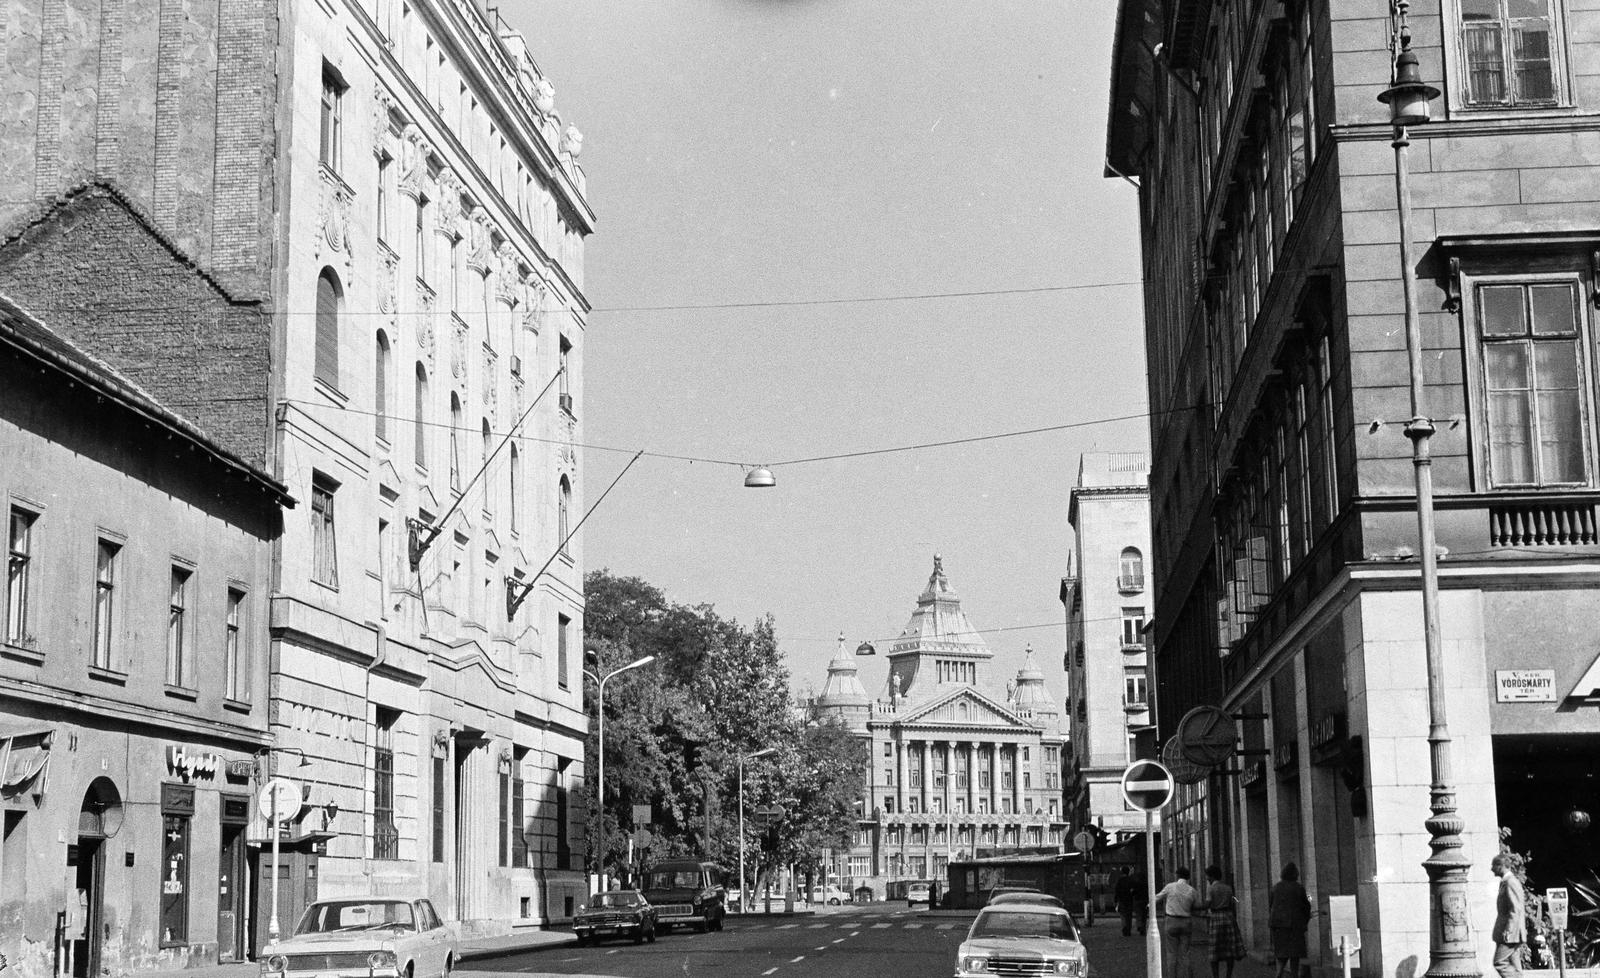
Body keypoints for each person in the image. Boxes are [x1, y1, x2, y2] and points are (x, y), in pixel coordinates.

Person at [1269, 863, 1312, 978]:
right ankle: (1296, 975)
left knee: (1281, 955)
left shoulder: (1276, 888)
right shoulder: (1298, 888)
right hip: (1295, 926)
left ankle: (1278, 974)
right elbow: (1306, 907)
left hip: (1278, 926)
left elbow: (1271, 906)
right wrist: (1305, 921)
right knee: (1296, 955)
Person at [1156, 867, 1199, 978]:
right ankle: (1188, 975)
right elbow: (1195, 906)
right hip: (1186, 922)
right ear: (1188, 877)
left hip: (1171, 921)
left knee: (1171, 953)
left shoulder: (1170, 887)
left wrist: (1149, 905)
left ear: (1177, 875)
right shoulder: (1192, 890)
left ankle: (1172, 976)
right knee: (1185, 953)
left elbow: (1158, 897)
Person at [1205, 866, 1246, 978]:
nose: (1207, 878)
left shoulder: (1211, 889)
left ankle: (1216, 976)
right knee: (1229, 949)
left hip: (1216, 917)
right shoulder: (1228, 888)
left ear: (1212, 876)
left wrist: (1197, 908)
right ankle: (1228, 975)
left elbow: (1207, 904)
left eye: (1208, 876)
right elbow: (1234, 901)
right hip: (1228, 917)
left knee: (1214, 950)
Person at [1491, 853, 1526, 978]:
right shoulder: (1506, 882)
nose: (1491, 869)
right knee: (1515, 966)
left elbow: (1515, 909)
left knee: (1499, 962)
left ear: (1501, 866)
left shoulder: (1510, 882)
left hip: (1511, 933)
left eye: (1493, 866)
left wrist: (1509, 931)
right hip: (1511, 932)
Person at [1116, 868, 1139, 936]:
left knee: (1123, 915)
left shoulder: (1120, 880)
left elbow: (1117, 890)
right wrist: (1132, 894)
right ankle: (1128, 929)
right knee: (1129, 916)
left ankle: (1124, 928)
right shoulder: (1131, 880)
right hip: (1129, 900)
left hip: (1122, 900)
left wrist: (1116, 900)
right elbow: (1135, 889)